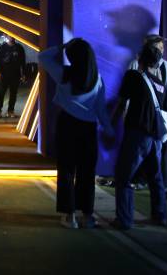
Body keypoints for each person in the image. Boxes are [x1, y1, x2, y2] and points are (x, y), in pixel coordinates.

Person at [38, 38, 114, 229]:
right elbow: (101, 110)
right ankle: (87, 216)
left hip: (67, 125)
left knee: (66, 170)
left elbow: (43, 57)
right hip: (88, 128)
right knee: (86, 172)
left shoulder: (64, 74)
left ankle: (69, 216)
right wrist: (109, 130)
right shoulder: (97, 79)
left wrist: (61, 46)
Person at [112, 40, 167, 230]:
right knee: (155, 178)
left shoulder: (133, 76)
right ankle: (160, 216)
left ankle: (124, 219)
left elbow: (122, 103)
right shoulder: (161, 85)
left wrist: (110, 126)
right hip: (156, 137)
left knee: (124, 176)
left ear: (140, 58)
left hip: (137, 134)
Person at [128, 35, 167, 196]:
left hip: (158, 113)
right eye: (158, 48)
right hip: (140, 115)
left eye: (162, 48)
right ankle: (138, 179)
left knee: (159, 147)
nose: (161, 51)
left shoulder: (166, 66)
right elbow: (128, 95)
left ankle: (166, 184)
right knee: (140, 149)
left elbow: (165, 89)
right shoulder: (135, 64)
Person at [0, 35, 26, 119]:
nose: (11, 37)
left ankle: (10, 111)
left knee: (13, 93)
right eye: (9, 35)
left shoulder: (19, 48)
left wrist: (23, 74)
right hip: (4, 74)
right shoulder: (2, 48)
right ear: (7, 36)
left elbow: (23, 62)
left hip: (15, 74)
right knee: (1, 92)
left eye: (13, 35)